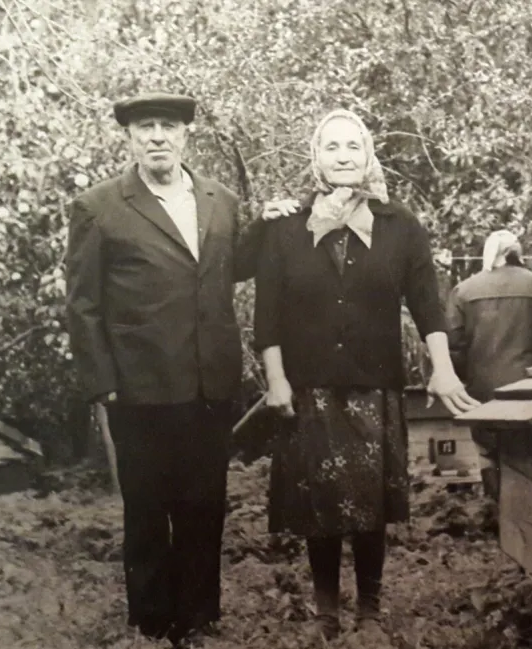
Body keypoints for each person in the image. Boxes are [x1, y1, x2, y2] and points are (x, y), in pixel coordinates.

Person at [64, 92, 288, 647]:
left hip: (210, 382)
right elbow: (83, 303)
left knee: (203, 503)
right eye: (146, 127)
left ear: (186, 135)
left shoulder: (220, 200)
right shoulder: (99, 206)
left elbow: (230, 267)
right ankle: (151, 620)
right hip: (138, 387)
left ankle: (198, 615)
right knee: (147, 507)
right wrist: (102, 382)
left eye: (167, 126)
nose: (157, 137)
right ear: (130, 138)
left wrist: (266, 226)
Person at [253, 109, 481, 642]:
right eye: (331, 147)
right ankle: (326, 613)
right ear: (316, 157)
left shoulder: (400, 226)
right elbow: (267, 314)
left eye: (352, 146)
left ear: (369, 154)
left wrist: (444, 370)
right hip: (309, 388)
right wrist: (276, 379)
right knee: (321, 506)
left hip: (373, 388)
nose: (343, 157)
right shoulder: (287, 227)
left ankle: (370, 613)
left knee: (368, 505)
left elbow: (428, 307)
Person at [445, 230, 532, 499]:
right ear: (517, 253)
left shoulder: (464, 291)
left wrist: (468, 380)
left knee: (488, 453)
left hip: (484, 392)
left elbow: (454, 346)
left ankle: (497, 510)